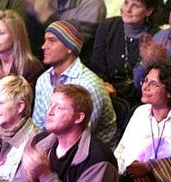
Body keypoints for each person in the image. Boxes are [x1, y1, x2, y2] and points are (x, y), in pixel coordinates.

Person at [32, 20, 118, 148]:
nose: (44, 46)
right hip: (55, 147)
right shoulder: (43, 79)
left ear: (69, 47)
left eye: (52, 40)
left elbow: (78, 137)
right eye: (45, 40)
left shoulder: (88, 84)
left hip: (90, 157)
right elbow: (38, 126)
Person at [91, 0, 161, 104]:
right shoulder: (107, 27)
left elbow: (149, 78)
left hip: (139, 99)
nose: (128, 9)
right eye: (126, 2)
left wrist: (118, 92)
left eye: (135, 6)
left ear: (148, 11)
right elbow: (97, 67)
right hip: (104, 92)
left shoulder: (156, 37)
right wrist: (104, 88)